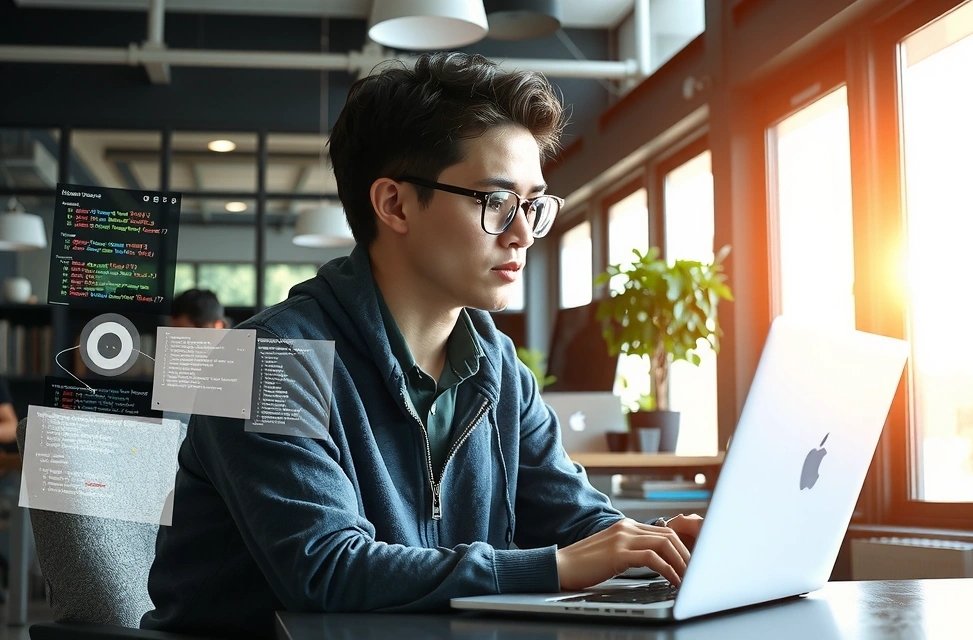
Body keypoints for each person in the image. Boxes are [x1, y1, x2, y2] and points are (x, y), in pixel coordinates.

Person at [142, 52, 702, 638]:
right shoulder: (260, 360)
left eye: (533, 204)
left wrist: (663, 545)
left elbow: (577, 521)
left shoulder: (500, 368)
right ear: (394, 204)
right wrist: (555, 568)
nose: (522, 232)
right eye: (496, 201)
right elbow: (327, 570)